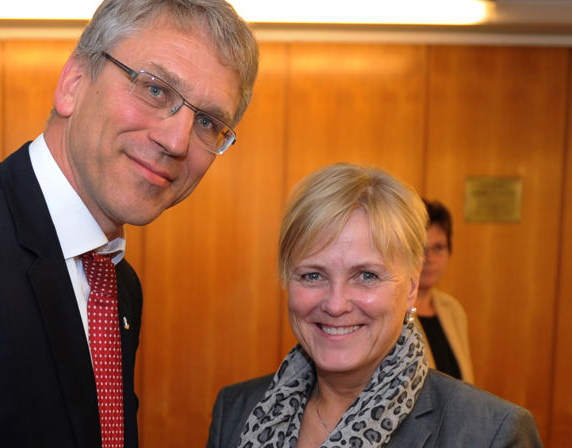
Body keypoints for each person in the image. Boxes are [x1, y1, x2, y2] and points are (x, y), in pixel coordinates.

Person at [0, 1, 259, 447]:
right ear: (73, 83)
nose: (176, 140)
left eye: (208, 121)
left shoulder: (116, 284)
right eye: (155, 90)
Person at [206, 163, 542, 448]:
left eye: (366, 275)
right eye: (312, 276)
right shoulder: (235, 410)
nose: (336, 304)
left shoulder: (489, 434)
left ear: (411, 288)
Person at [414, 198, 474, 383]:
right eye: (420, 249)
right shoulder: (390, 311)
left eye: (438, 248)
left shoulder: (453, 309)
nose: (429, 258)